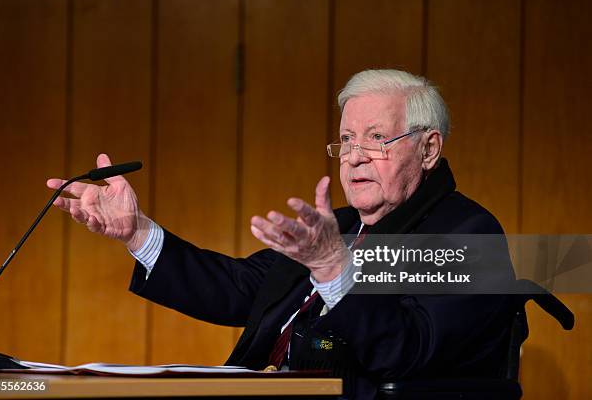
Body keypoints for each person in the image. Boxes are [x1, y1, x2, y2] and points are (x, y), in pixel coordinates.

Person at [47, 69, 517, 399]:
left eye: (376, 138)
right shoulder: (340, 228)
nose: (354, 157)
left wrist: (335, 270)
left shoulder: (469, 235)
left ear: (429, 148)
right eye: (346, 140)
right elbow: (239, 289)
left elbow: (405, 350)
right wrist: (137, 233)